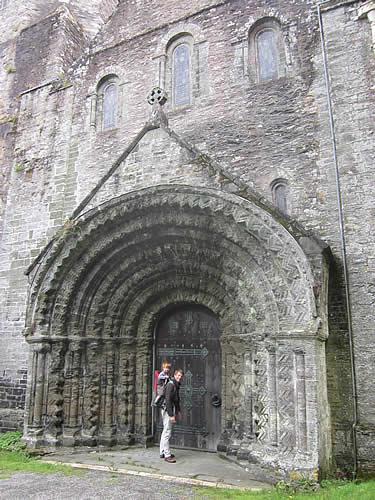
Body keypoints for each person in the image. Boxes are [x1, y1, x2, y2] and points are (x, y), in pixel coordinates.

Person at [159, 368, 184, 463]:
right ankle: (167, 455)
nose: (179, 377)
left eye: (181, 376)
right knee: (167, 432)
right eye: (178, 375)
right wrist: (171, 415)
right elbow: (168, 400)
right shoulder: (170, 385)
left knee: (165, 430)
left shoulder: (176, 385)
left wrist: (178, 411)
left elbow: (176, 400)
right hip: (167, 410)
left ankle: (162, 452)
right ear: (174, 375)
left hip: (169, 410)